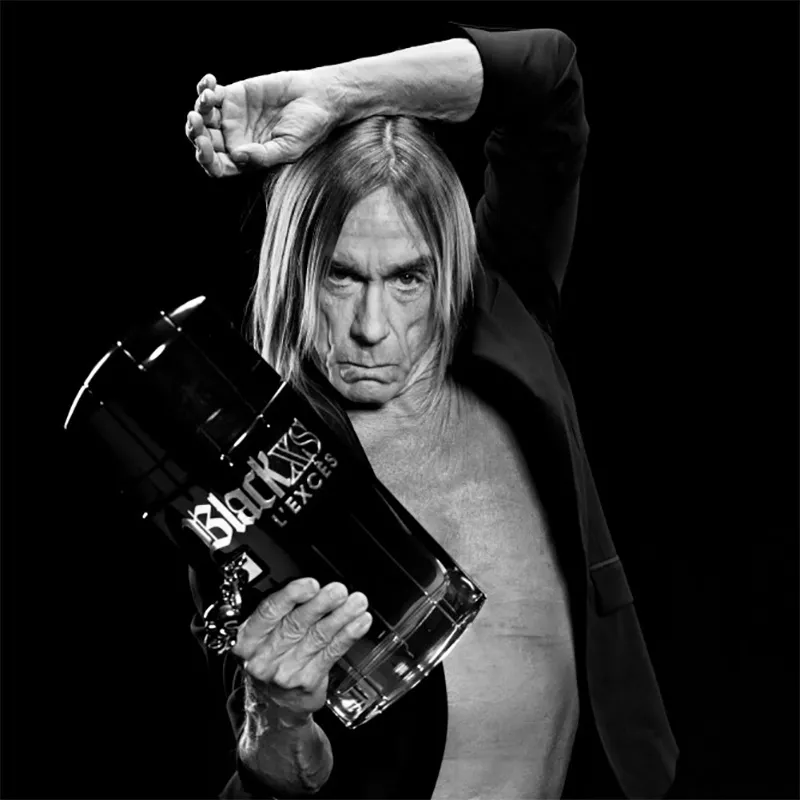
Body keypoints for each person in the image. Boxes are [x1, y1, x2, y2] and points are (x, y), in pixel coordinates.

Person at [184, 21, 679, 800]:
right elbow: (277, 782)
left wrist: (335, 92)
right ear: (292, 271)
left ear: (444, 271)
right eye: (342, 277)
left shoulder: (505, 321)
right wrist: (276, 724)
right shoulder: (259, 477)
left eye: (406, 279)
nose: (372, 328)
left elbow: (548, 78)